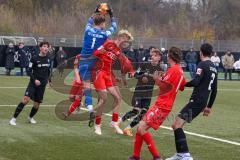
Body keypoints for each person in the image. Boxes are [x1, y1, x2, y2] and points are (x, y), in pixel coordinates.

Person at [129, 47, 186, 160]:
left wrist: (156, 79)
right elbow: (182, 86)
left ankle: (156, 156)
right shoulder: (180, 70)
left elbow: (165, 87)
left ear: (170, 56)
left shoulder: (173, 69)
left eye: (168, 55)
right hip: (163, 105)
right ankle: (135, 156)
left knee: (141, 128)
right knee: (140, 128)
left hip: (162, 106)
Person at [166, 43, 218, 160]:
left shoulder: (202, 64)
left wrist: (182, 84)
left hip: (196, 101)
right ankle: (180, 154)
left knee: (176, 124)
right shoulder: (214, 68)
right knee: (178, 125)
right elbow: (215, 90)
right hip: (202, 102)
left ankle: (185, 155)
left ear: (201, 52)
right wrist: (208, 107)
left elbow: (195, 82)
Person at [79, 5, 117, 122]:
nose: (105, 25)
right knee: (94, 84)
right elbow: (114, 27)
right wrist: (111, 15)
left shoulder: (88, 30)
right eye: (104, 23)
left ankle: (90, 109)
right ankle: (97, 102)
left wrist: (95, 11)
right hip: (94, 62)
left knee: (86, 85)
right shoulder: (104, 34)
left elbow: (89, 21)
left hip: (84, 60)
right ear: (102, 24)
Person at [93, 30, 134, 135]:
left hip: (108, 75)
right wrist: (100, 52)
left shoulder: (119, 51)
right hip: (100, 73)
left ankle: (114, 122)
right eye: (126, 40)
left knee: (118, 98)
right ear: (121, 37)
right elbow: (95, 53)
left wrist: (131, 71)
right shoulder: (109, 43)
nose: (126, 43)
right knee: (104, 98)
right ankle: (97, 125)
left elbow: (126, 63)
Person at [120, 49, 163, 137]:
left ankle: (127, 128)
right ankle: (118, 122)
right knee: (135, 111)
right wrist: (142, 76)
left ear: (159, 57)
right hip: (139, 91)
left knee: (143, 113)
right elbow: (135, 75)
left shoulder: (160, 70)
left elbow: (160, 83)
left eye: (155, 55)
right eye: (152, 55)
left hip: (148, 94)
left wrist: (158, 80)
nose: (152, 57)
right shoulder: (145, 65)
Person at [9, 42, 52, 126]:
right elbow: (28, 70)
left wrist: (50, 81)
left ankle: (30, 118)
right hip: (33, 84)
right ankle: (13, 119)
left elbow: (48, 71)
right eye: (44, 46)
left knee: (36, 105)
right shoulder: (34, 58)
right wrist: (35, 79)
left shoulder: (49, 58)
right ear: (40, 48)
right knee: (25, 100)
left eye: (47, 47)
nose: (46, 48)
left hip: (42, 85)